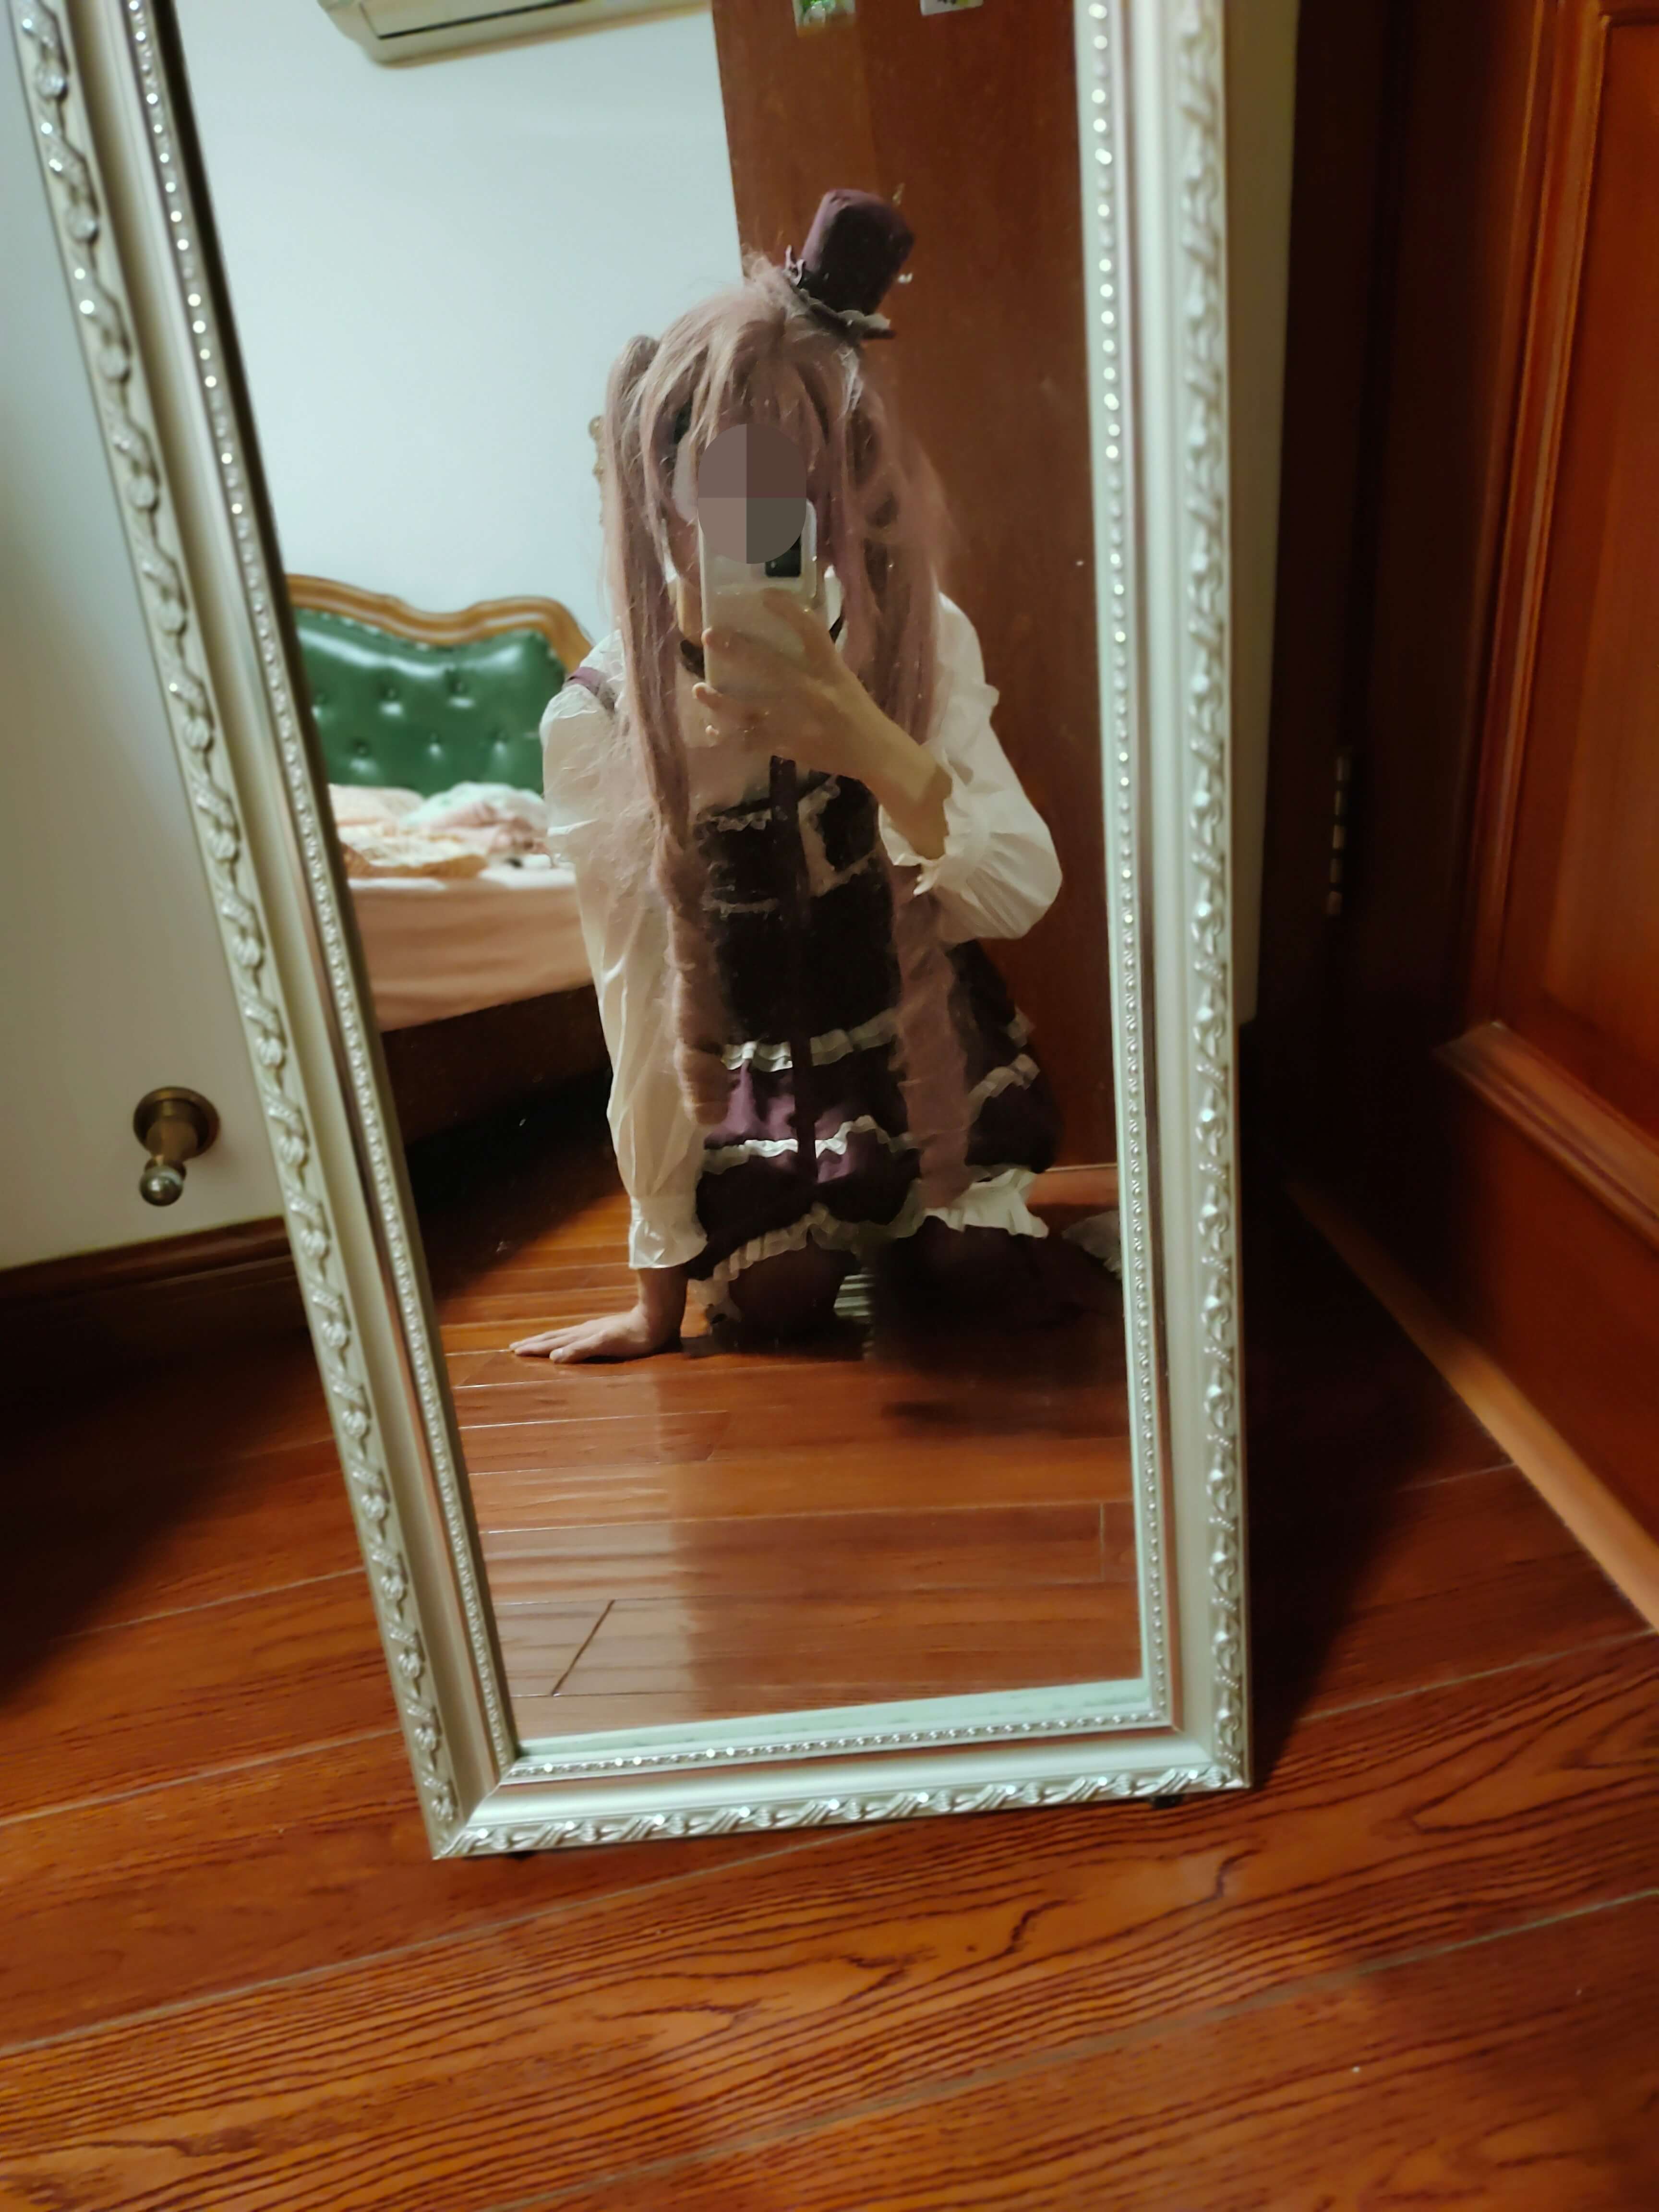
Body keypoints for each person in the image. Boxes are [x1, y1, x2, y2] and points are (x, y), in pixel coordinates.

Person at [513, 191, 1076, 1364]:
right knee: (776, 1303)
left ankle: (916, 1216)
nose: (763, 531)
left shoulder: (919, 637)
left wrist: (866, 738)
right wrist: (658, 1288)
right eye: (725, 492)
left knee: (972, 1270)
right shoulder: (602, 718)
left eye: (797, 489)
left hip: (918, 1039)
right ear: (657, 492)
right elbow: (636, 997)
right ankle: (825, 1224)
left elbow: (1022, 886)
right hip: (758, 1077)